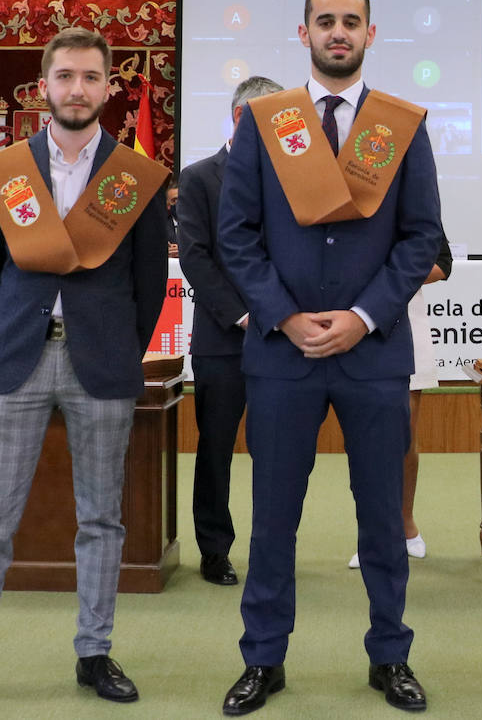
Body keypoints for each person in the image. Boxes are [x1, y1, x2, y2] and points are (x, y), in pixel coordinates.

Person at [0, 28, 169, 716]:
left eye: (90, 77)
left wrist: (113, 345)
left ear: (109, 88)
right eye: (65, 76)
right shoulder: (7, 170)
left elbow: (145, 282)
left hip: (102, 364)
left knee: (103, 518)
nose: (76, 88)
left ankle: (94, 652)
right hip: (18, 358)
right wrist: (13, 331)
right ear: (43, 87)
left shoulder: (133, 177)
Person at [217, 0, 442, 715]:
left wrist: (365, 315)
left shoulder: (401, 125)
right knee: (274, 516)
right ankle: (263, 660)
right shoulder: (264, 121)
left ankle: (391, 657)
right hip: (283, 355)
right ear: (304, 33)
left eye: (351, 21)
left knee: (381, 516)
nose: (338, 32)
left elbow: (421, 240)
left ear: (371, 34)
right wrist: (283, 317)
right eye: (325, 21)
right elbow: (236, 235)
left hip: (373, 353)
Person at [178, 75, 283, 586]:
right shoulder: (199, 178)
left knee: (277, 447)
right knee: (216, 445)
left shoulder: (293, 176)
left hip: (282, 335)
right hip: (224, 337)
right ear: (241, 119)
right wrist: (243, 314)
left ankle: (271, 548)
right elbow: (195, 259)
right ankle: (214, 550)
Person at [348, 232, 452, 570]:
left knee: (403, 434)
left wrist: (390, 276)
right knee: (367, 440)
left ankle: (406, 525)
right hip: (352, 318)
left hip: (406, 317)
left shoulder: (414, 196)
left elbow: (442, 264)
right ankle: (373, 536)